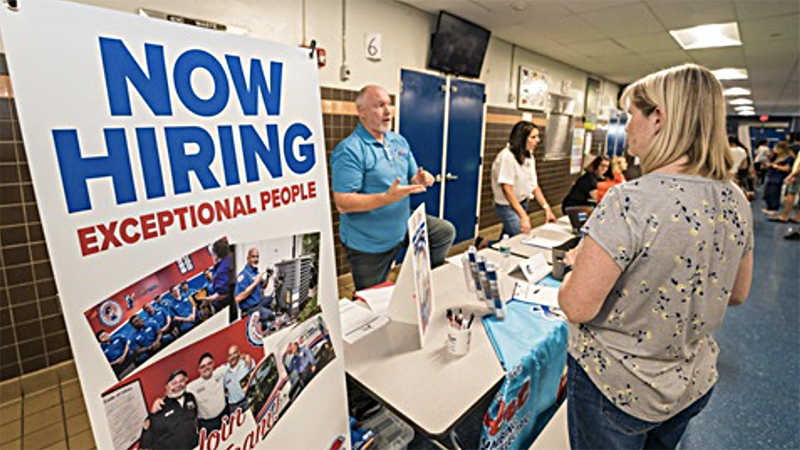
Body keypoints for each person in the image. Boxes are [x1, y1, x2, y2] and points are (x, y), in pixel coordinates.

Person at [558, 64, 753, 450]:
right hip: (689, 384)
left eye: (631, 115)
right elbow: (736, 292)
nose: (627, 127)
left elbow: (577, 305)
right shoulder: (736, 200)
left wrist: (577, 266)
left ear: (658, 118)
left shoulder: (629, 200)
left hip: (617, 390)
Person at [330, 84, 455, 290]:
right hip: (369, 243)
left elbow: (413, 176)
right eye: (379, 106)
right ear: (360, 111)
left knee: (443, 233)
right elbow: (343, 203)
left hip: (401, 225)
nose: (388, 111)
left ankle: (416, 286)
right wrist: (387, 198)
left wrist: (422, 178)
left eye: (389, 104)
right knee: (372, 304)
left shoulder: (398, 141)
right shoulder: (349, 150)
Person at [490, 121, 557, 236]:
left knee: (507, 241)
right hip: (507, 205)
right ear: (522, 139)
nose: (538, 140)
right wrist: (524, 216)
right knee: (520, 237)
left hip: (522, 202)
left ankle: (485, 244)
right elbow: (506, 189)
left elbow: (534, 185)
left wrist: (547, 208)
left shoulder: (529, 155)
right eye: (533, 137)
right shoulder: (507, 157)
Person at [140, 370, 199, 450]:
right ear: (166, 387)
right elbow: (145, 443)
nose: (178, 385)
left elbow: (194, 420)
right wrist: (152, 414)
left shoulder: (190, 397)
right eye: (174, 383)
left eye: (181, 381)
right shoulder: (160, 407)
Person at [234, 248, 276, 329]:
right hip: (250, 308)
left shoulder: (255, 272)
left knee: (271, 299)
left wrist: (267, 277)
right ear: (248, 259)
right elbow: (237, 298)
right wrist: (255, 283)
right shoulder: (243, 275)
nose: (256, 259)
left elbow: (263, 286)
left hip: (258, 302)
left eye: (257, 257)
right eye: (253, 257)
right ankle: (264, 327)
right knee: (271, 315)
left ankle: (264, 324)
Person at [187, 353, 228, 433]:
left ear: (213, 363)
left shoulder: (220, 372)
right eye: (202, 367)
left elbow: (233, 362)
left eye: (209, 364)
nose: (206, 368)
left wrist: (244, 357)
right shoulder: (192, 387)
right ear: (199, 370)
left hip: (224, 415)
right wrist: (159, 401)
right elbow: (177, 392)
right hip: (207, 424)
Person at [200, 238, 233, 313]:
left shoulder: (221, 272)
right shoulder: (231, 257)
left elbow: (223, 294)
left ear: (216, 254)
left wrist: (209, 299)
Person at [762, 141, 795, 215]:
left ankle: (774, 209)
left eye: (775, 147)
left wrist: (775, 166)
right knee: (768, 193)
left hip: (778, 177)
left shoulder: (788, 158)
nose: (774, 149)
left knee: (774, 193)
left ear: (781, 149)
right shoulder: (777, 157)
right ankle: (769, 207)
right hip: (772, 176)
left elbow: (787, 168)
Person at [223, 345, 255, 414]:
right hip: (234, 407)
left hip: (248, 400)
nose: (232, 357)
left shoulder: (246, 362)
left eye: (235, 353)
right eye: (230, 355)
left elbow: (255, 375)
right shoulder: (224, 374)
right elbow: (223, 390)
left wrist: (246, 356)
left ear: (239, 353)